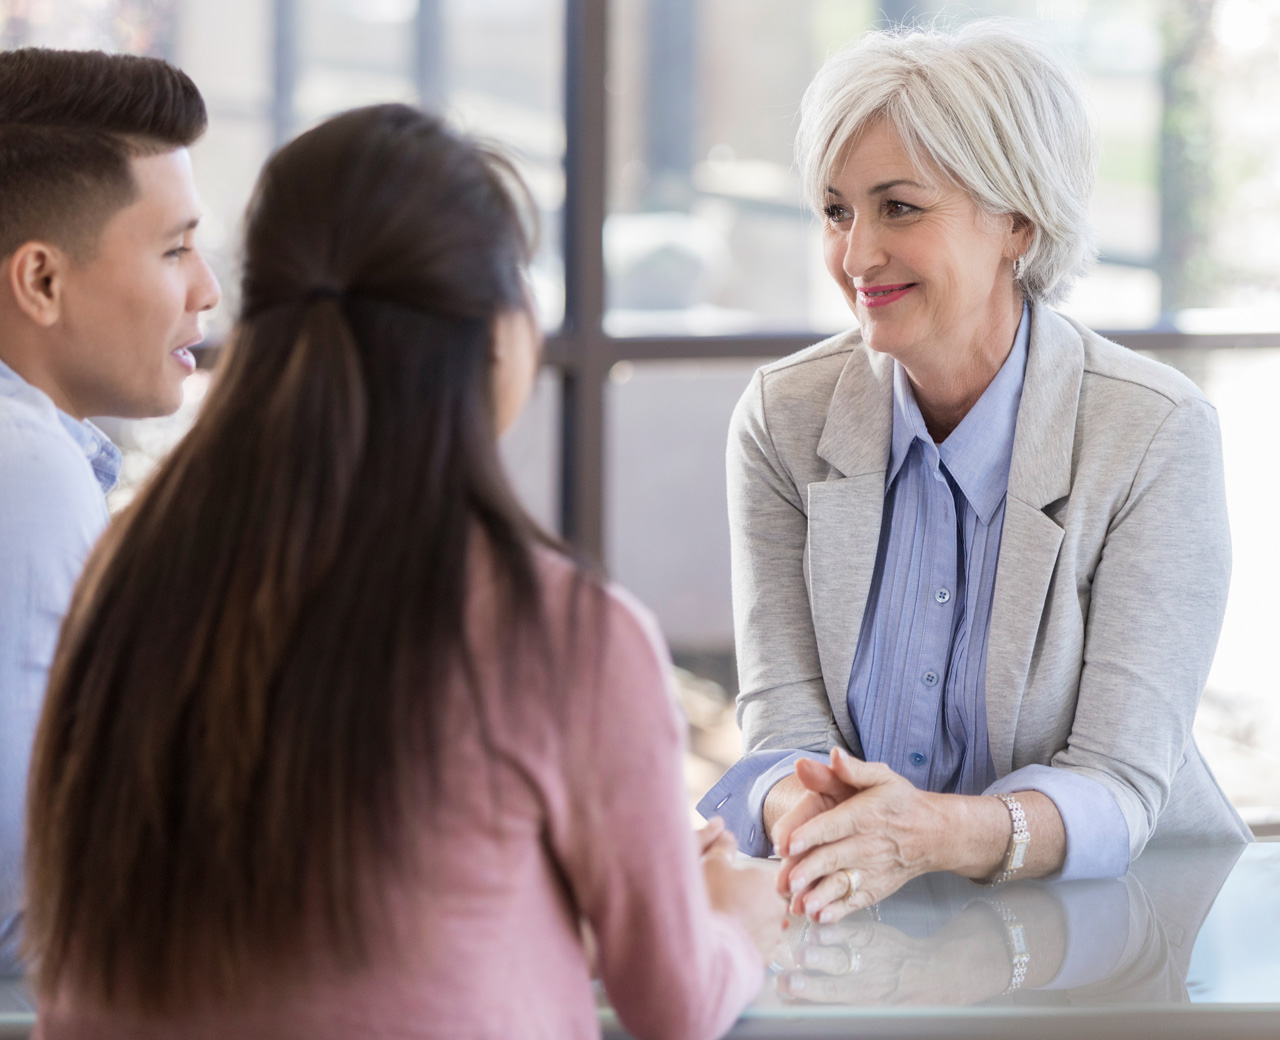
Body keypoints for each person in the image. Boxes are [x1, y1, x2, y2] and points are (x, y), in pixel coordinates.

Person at [24, 104, 781, 1039]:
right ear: (494, 333)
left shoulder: (129, 575)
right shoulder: (565, 632)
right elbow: (675, 1005)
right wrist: (735, 921)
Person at [697, 20, 1250, 925]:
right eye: (837, 210)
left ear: (1018, 220)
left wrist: (930, 835)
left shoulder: (1153, 434)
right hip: (869, 935)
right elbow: (783, 733)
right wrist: (804, 812)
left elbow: (1118, 784)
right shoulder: (782, 421)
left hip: (1125, 934)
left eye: (899, 207)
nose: (855, 255)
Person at [0, 48, 220, 974]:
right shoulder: (24, 469)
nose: (207, 289)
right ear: (41, 281)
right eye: (174, 250)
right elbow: (27, 910)